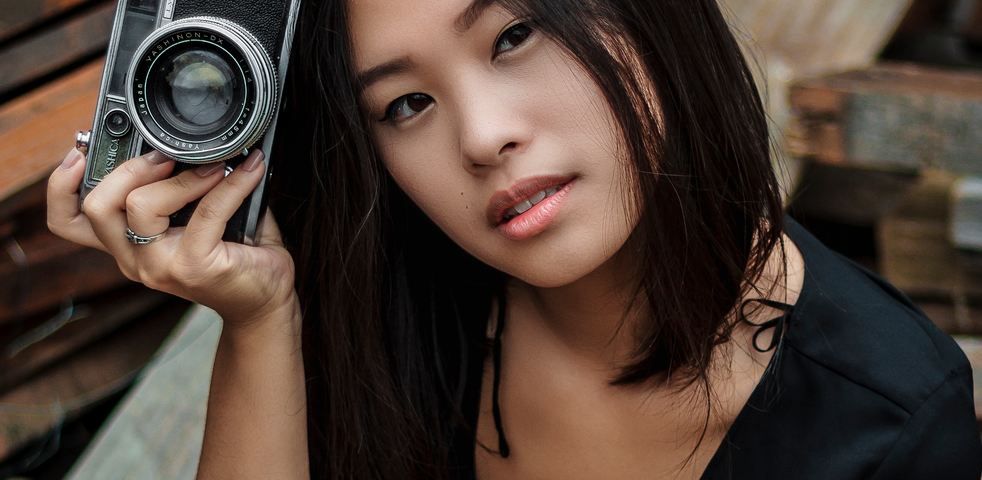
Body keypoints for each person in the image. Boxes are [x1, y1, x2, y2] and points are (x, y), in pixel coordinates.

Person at [46, 0, 982, 478]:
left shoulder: (890, 420)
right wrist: (256, 318)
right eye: (405, 103)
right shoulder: (399, 298)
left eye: (513, 35)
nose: (483, 134)